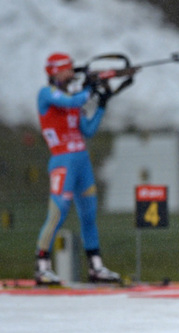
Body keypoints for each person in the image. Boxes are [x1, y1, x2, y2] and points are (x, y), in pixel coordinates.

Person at [34, 52, 120, 285]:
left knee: (89, 215)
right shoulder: (47, 93)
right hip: (63, 162)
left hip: (82, 161)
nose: (71, 74)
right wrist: (91, 89)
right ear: (55, 71)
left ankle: (96, 267)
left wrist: (101, 105)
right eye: (67, 69)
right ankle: (42, 267)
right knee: (57, 213)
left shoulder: (75, 99)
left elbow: (88, 130)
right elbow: (72, 101)